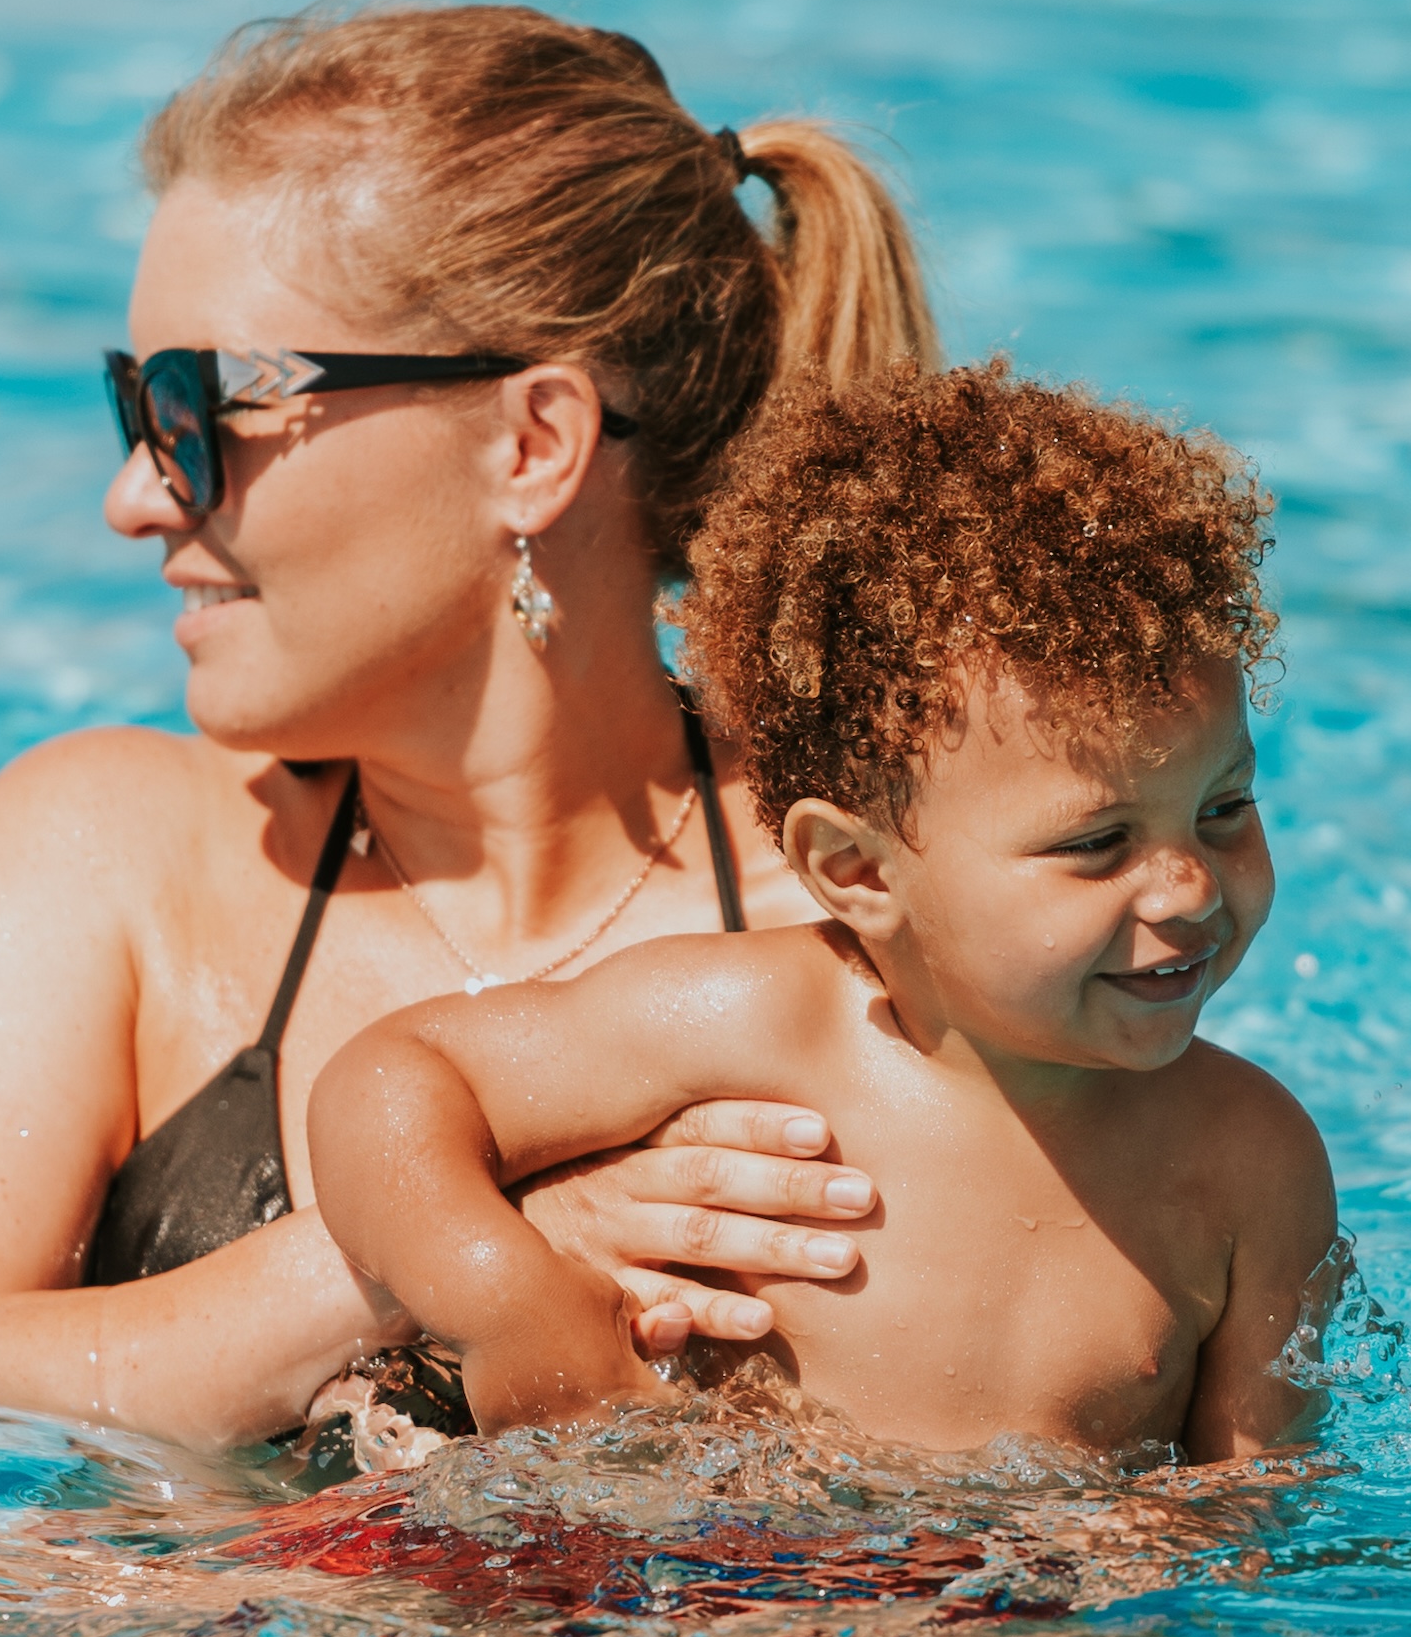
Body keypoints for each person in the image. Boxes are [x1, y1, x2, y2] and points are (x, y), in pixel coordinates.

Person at [0, 5, 944, 1447]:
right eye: (134, 404)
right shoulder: (106, 864)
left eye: (201, 405)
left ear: (531, 444)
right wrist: (445, 1250)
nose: (136, 494)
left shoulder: (880, 919)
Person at [308, 364, 1338, 1461]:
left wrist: (1163, 1548)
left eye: (1223, 807)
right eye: (1097, 844)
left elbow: (1253, 1507)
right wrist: (506, 1296)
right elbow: (388, 1084)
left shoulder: (1249, 1164)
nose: (1187, 887)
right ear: (858, 871)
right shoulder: (752, 1028)